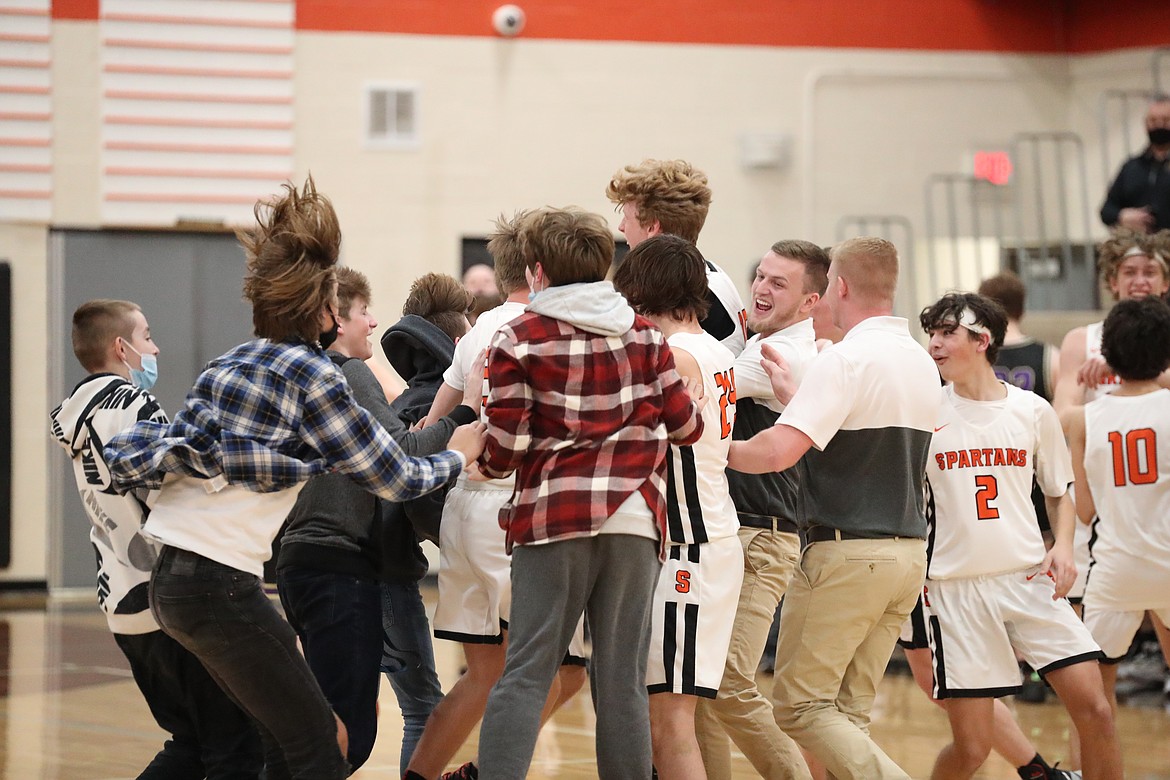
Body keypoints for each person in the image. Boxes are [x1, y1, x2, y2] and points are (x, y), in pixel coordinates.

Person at [103, 177, 486, 780]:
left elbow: (178, 451)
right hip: (218, 585)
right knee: (318, 749)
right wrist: (460, 452)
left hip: (172, 583)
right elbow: (398, 477)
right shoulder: (317, 376)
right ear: (323, 312)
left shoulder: (228, 360)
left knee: (296, 741)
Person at [473, 207, 705, 780]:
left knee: (527, 672)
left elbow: (507, 441)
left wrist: (484, 459)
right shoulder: (646, 336)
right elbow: (687, 429)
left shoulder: (518, 337)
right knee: (622, 682)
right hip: (635, 522)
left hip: (553, 519)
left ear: (536, 271)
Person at [726, 236, 941, 779]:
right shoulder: (918, 359)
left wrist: (706, 448)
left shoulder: (844, 359)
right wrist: (801, 397)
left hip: (848, 554)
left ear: (837, 288)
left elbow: (774, 453)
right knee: (846, 715)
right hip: (907, 557)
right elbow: (865, 437)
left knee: (799, 707)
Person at [275, 267, 479, 773]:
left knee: (335, 719)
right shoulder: (347, 373)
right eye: (364, 311)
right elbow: (402, 454)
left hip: (303, 561)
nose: (372, 322)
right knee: (364, 727)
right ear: (335, 319)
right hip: (347, 565)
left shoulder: (309, 373)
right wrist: (462, 417)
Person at [51, 299, 262, 780]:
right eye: (147, 337)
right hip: (165, 594)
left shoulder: (78, 414)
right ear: (121, 348)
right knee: (234, 746)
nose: (156, 347)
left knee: (191, 743)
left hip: (121, 599)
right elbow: (163, 485)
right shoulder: (130, 403)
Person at [918, 292, 1119, 780]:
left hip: (1029, 579)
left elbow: (1058, 492)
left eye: (947, 333)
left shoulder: (1031, 410)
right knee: (974, 749)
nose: (934, 345)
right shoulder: (922, 413)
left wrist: (1065, 546)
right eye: (931, 334)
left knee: (1096, 710)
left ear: (982, 340)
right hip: (955, 590)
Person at [692, 240, 830, 780]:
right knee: (700, 684)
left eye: (780, 283)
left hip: (763, 537)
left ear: (811, 300)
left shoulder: (781, 354)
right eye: (762, 277)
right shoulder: (762, 343)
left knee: (726, 682)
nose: (763, 289)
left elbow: (701, 378)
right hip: (737, 532)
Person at [611, 234, 744, 778]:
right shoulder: (715, 351)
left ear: (640, 290)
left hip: (692, 547)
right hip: (697, 540)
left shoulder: (677, 356)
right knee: (659, 713)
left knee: (670, 719)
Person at [378, 272, 476, 776]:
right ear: (458, 340)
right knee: (421, 709)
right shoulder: (435, 404)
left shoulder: (408, 399)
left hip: (370, 573)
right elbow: (416, 497)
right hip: (382, 577)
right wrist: (464, 542)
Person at [1065, 296, 1170, 734]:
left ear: (1106, 351)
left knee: (1095, 706)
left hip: (1115, 570)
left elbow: (1085, 510)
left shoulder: (1082, 420)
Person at [606, 158, 748, 355]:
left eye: (626, 218)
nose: (621, 227)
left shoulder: (678, 292)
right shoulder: (710, 272)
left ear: (651, 227)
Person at [1100, 95, 1170, 234]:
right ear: (1145, 124)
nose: (1159, 125)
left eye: (1166, 120)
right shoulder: (1132, 167)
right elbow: (1107, 210)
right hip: (1140, 247)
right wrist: (1122, 215)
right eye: (1153, 120)